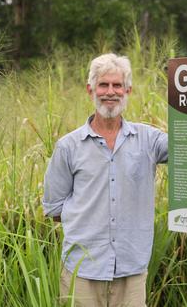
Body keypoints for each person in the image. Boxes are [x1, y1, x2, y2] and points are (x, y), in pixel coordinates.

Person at [42, 53, 168, 307]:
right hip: (82, 272)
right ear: (91, 90)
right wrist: (88, 217)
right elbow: (54, 208)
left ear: (128, 90)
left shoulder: (149, 140)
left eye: (117, 85)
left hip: (131, 271)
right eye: (103, 85)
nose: (110, 92)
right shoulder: (68, 147)